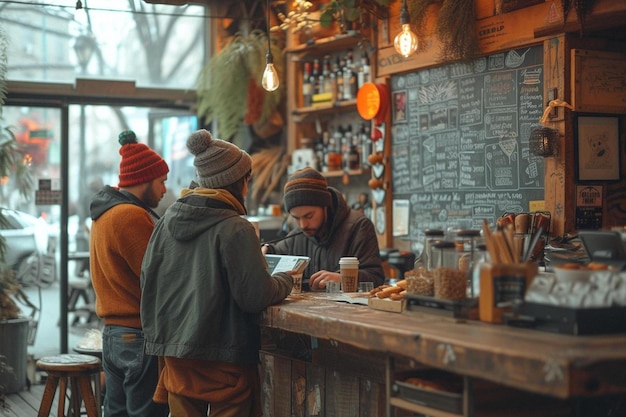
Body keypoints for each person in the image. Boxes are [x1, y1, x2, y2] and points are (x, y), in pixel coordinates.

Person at [140, 129, 294, 417]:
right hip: (224, 358)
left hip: (175, 355)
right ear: (237, 182)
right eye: (247, 180)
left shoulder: (165, 222)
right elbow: (254, 296)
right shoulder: (236, 228)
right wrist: (286, 281)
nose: (248, 187)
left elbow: (147, 279)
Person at [89, 130, 170, 417]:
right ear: (144, 179)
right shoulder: (131, 216)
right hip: (138, 333)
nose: (164, 190)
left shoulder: (104, 214)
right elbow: (158, 276)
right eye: (161, 182)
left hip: (113, 336)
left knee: (117, 412)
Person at [262, 167, 385, 291]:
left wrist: (341, 279)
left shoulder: (359, 227)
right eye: (296, 218)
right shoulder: (297, 235)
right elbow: (278, 251)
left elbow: (376, 277)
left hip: (349, 309)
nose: (303, 224)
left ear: (325, 205)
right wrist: (267, 250)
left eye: (309, 216)